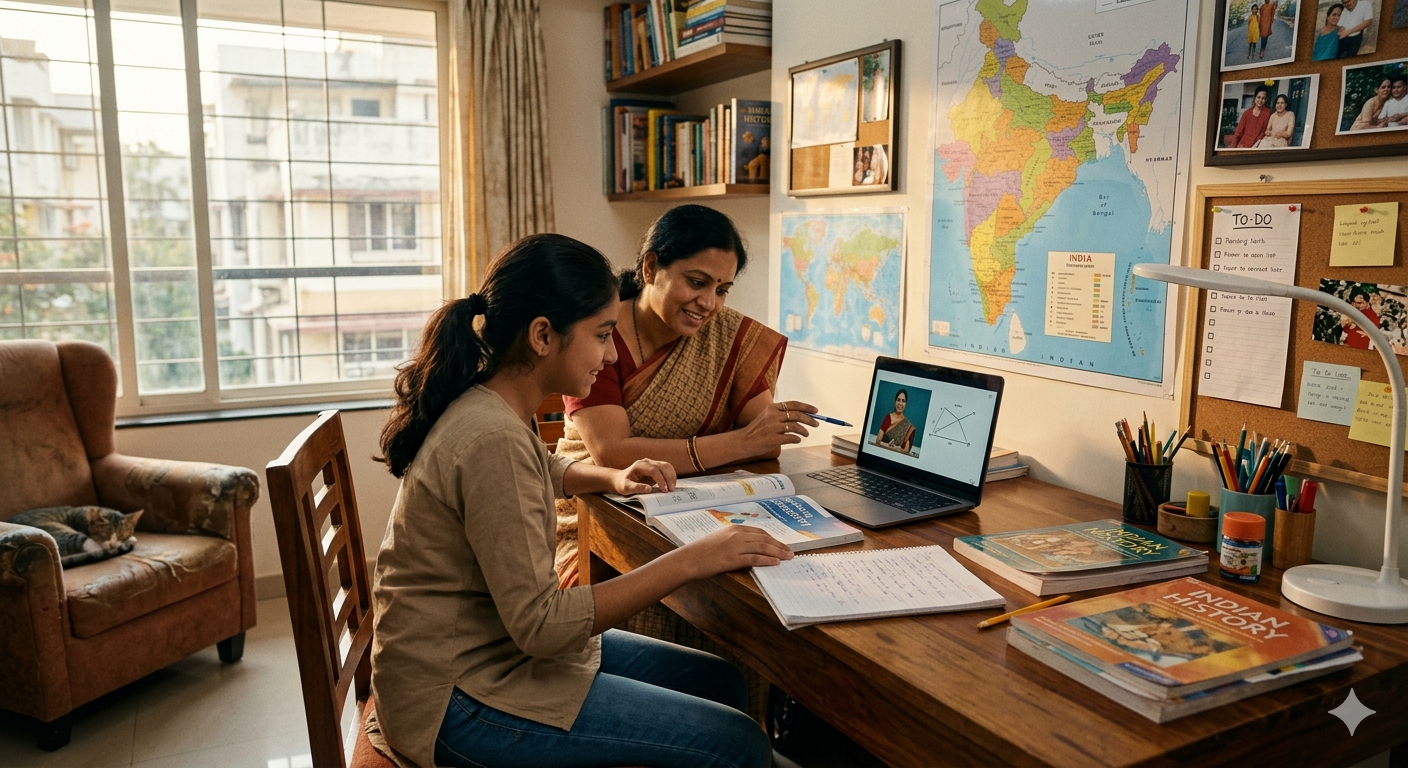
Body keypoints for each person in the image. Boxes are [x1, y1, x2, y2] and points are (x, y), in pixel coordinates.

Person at [370, 233, 787, 768]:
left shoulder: (492, 403)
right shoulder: (489, 436)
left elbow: (540, 468)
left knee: (717, 677)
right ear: (543, 335)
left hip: (485, 652)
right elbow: (543, 627)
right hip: (454, 700)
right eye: (602, 334)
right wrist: (692, 559)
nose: (611, 353)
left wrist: (611, 478)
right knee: (739, 742)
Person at [556, 204, 817, 585]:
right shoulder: (601, 335)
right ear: (650, 268)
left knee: (763, 575)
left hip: (688, 508)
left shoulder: (727, 338)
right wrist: (738, 442)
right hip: (595, 513)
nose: (709, 304)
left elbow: (764, 443)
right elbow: (612, 453)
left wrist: (749, 439)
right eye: (696, 282)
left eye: (722, 289)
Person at [875, 389, 916, 454]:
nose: (900, 403)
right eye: (898, 400)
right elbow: (878, 441)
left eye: (903, 401)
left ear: (906, 404)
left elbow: (906, 450)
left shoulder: (908, 426)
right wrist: (889, 446)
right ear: (895, 402)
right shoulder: (888, 418)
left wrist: (895, 448)